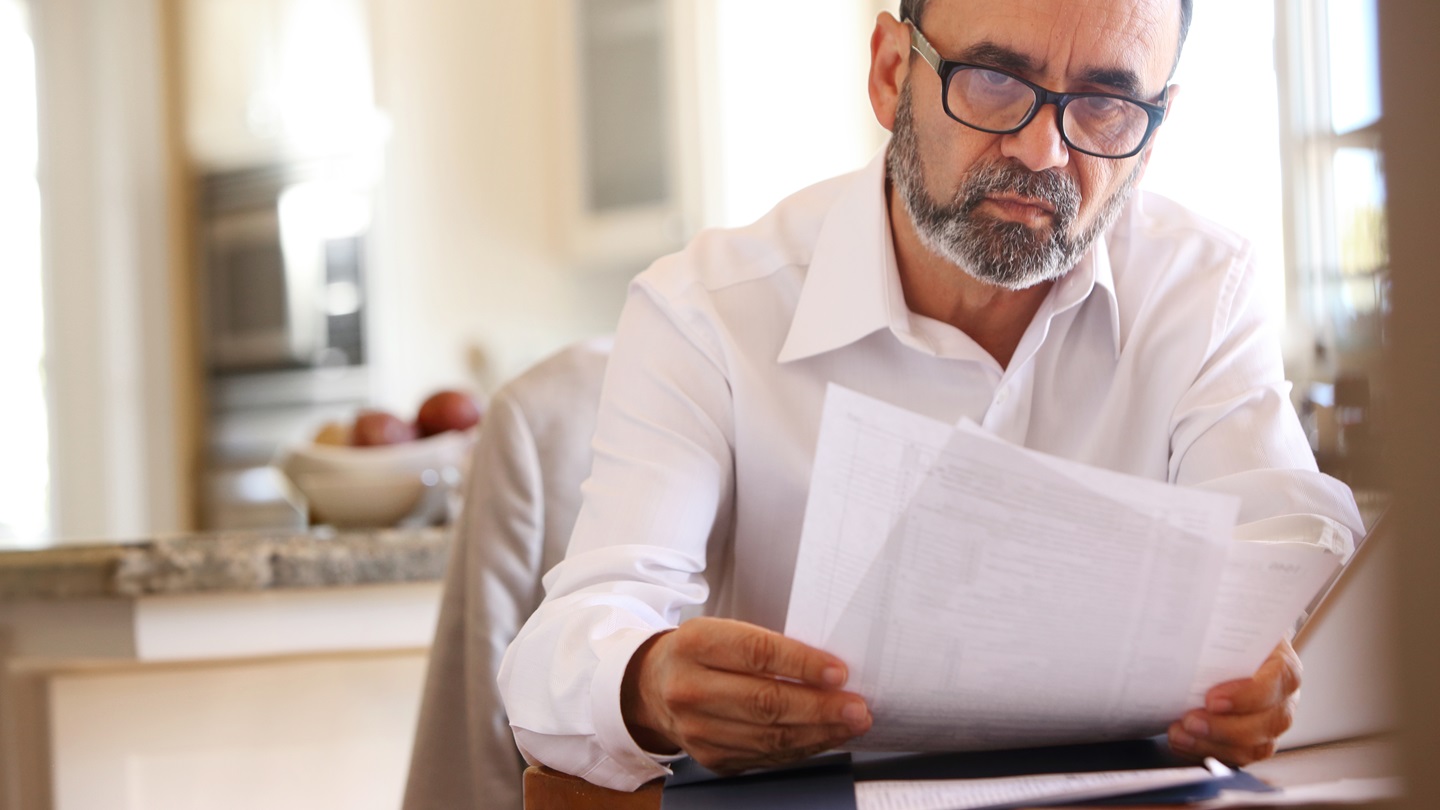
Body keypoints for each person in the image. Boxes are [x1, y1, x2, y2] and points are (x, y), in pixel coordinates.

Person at [499, 0, 1364, 793]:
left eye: (1106, 103)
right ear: (889, 73)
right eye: (994, 81)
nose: (1044, 153)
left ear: (1155, 125)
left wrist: (1261, 675)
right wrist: (648, 681)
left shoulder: (1200, 289)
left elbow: (1272, 539)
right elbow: (569, 643)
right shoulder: (706, 311)